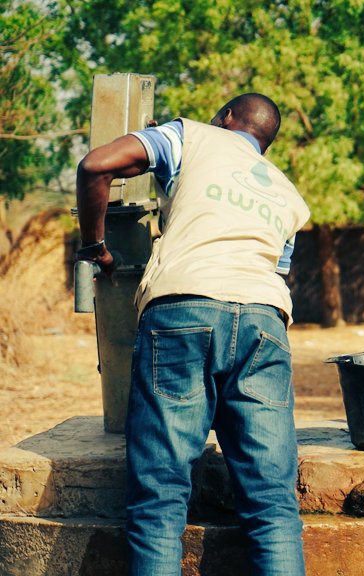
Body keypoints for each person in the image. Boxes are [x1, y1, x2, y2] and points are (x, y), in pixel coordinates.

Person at [75, 93, 309, 575]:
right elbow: (273, 267)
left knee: (159, 499)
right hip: (265, 323)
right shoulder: (288, 194)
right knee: (272, 506)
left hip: (183, 311)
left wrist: (95, 246)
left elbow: (96, 165)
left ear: (225, 117)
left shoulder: (189, 136)